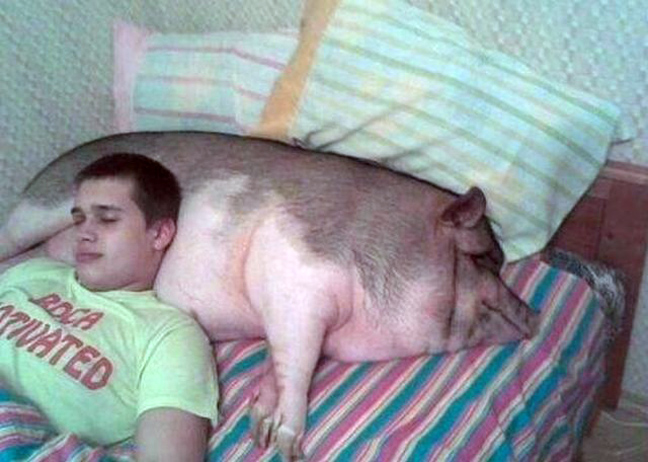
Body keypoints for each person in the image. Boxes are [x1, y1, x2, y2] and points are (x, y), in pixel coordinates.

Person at [0, 153, 218, 461]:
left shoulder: (169, 334)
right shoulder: (31, 273)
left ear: (159, 234)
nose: (84, 233)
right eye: (79, 219)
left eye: (107, 219)